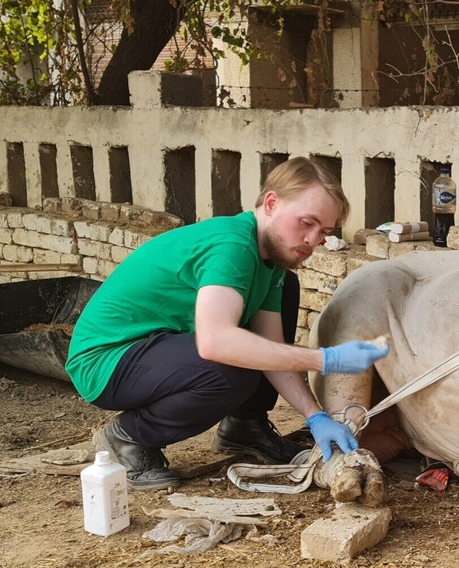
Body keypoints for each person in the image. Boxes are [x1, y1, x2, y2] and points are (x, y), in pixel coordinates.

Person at [65, 156, 388, 490]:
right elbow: (215, 342)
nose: (312, 240)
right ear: (272, 203)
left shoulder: (270, 264)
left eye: (324, 232)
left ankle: (245, 426)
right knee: (228, 367)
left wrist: (315, 416)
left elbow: (273, 353)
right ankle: (128, 437)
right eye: (307, 223)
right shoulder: (233, 246)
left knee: (284, 296)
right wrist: (326, 359)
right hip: (106, 360)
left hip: (157, 348)